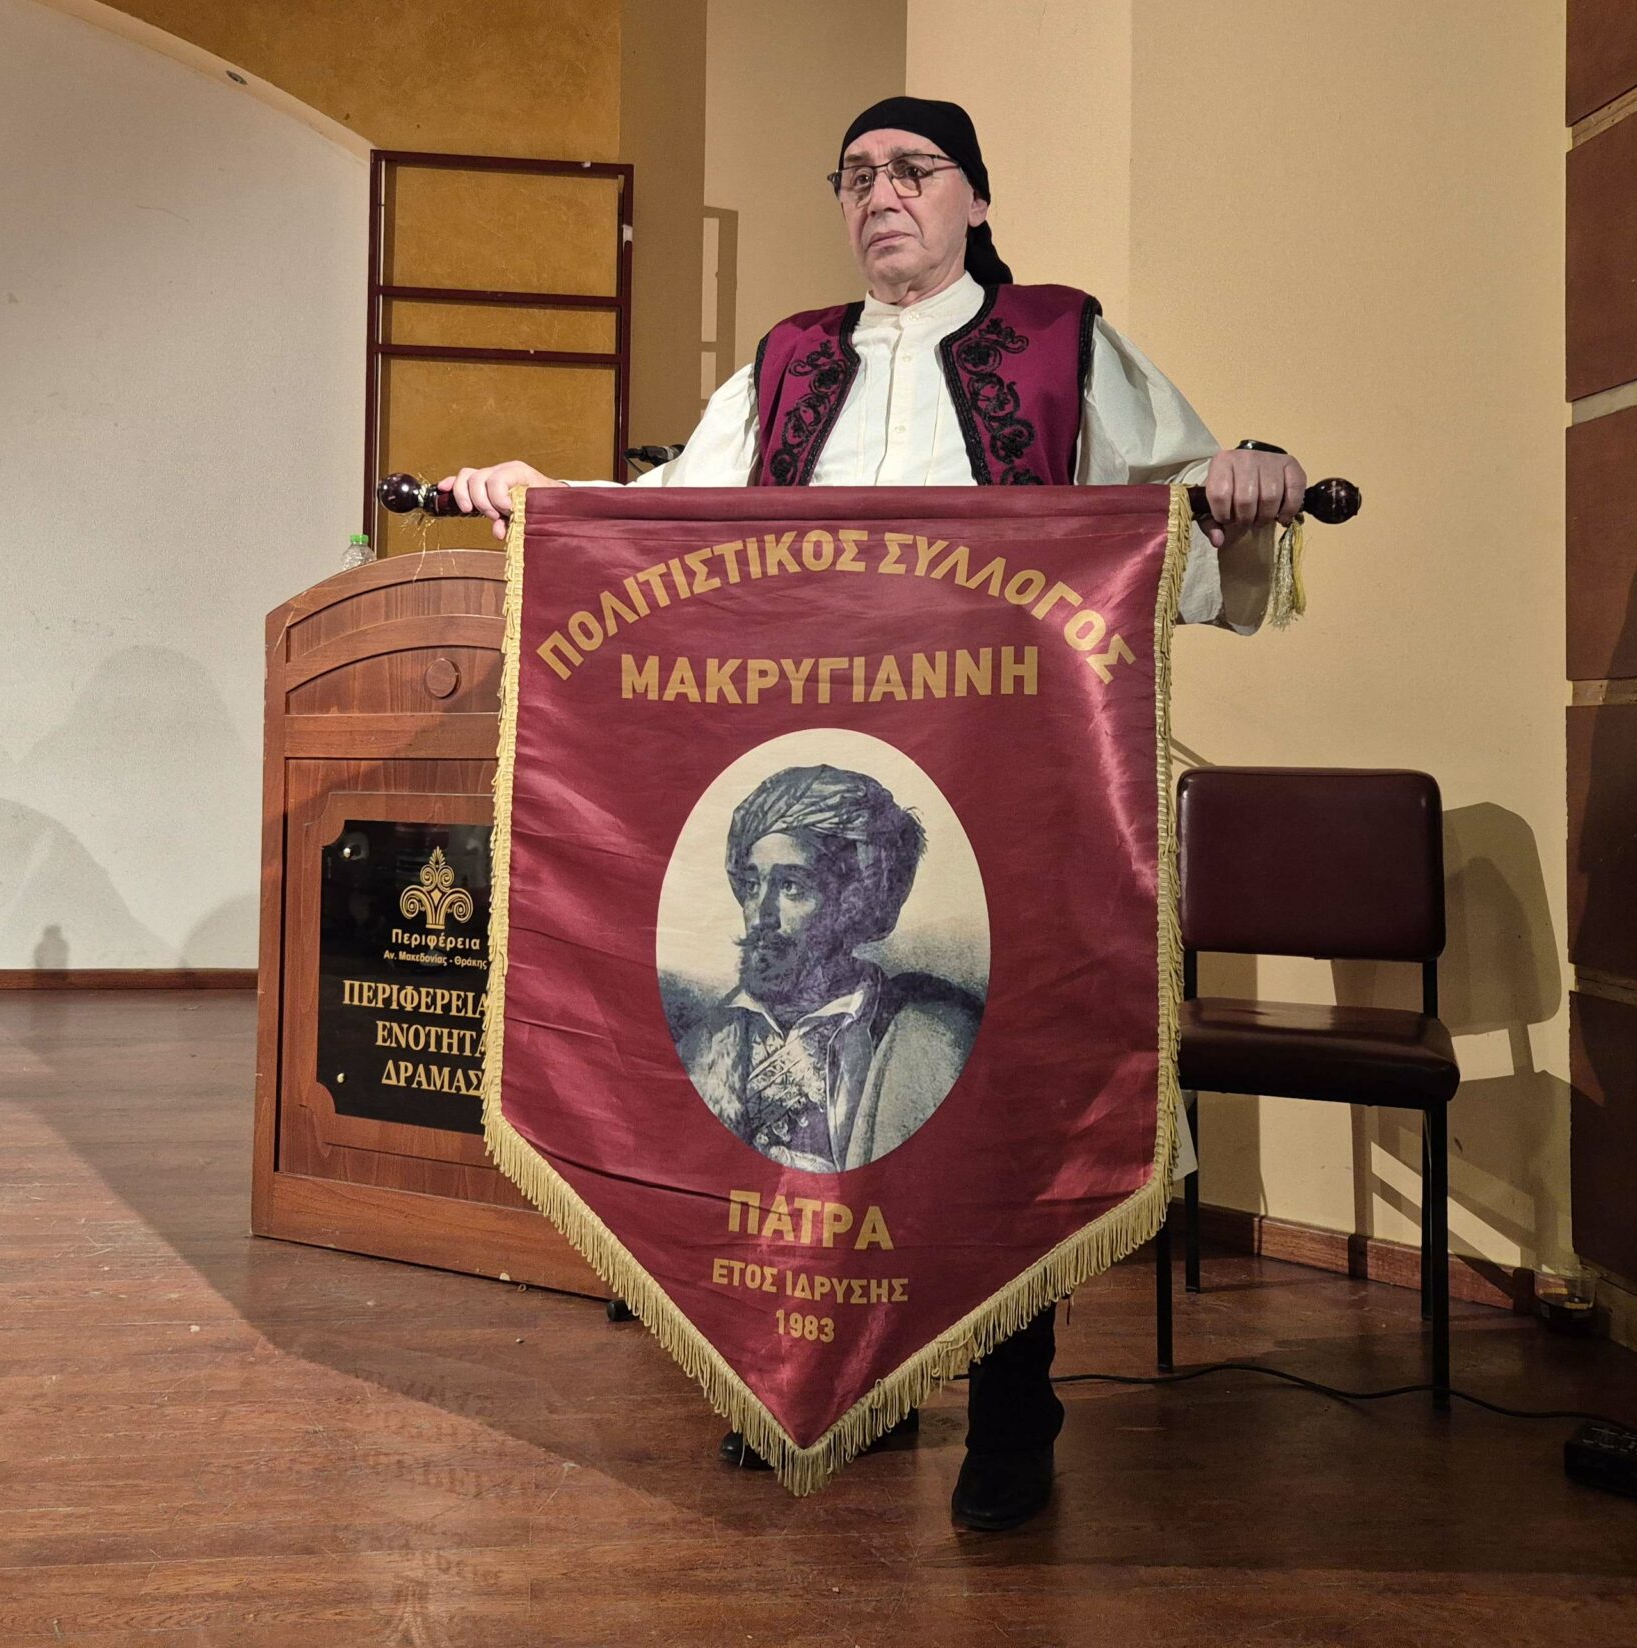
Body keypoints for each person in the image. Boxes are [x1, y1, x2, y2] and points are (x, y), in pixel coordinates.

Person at [442, 95, 1309, 1532]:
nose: (880, 194)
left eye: (912, 170)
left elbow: (1177, 513)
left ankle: (1015, 1404)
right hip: (804, 752)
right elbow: (668, 513)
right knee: (812, 1112)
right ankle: (838, 1380)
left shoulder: (1063, 341)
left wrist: (1250, 477)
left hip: (1004, 780)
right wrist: (545, 500)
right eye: (854, 176)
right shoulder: (789, 362)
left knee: (997, 1085)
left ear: (976, 198)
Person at [670, 764, 980, 1176]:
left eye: (790, 887)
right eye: (752, 885)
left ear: (853, 902)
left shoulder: (934, 1042)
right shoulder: (700, 1048)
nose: (760, 915)